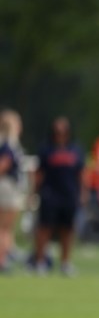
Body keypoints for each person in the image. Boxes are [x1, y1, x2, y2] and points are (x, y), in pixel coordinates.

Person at [29, 116, 86, 276]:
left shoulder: (75, 149)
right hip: (49, 194)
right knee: (44, 228)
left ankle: (65, 263)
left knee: (67, 229)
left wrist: (83, 193)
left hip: (69, 194)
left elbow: (81, 173)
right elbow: (39, 173)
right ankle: (40, 263)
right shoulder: (46, 149)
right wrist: (33, 192)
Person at [0, 109, 25, 273]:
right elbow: (3, 165)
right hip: (7, 187)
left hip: (7, 186)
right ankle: (2, 260)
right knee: (5, 228)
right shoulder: (8, 144)